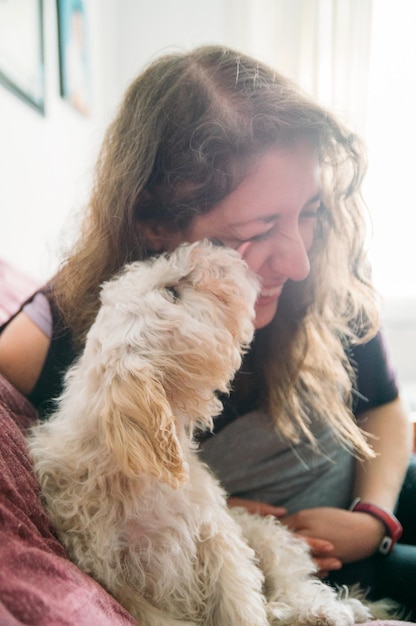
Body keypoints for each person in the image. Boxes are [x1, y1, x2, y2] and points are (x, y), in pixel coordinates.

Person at [0, 45, 415, 614]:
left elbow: (386, 404)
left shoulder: (319, 272)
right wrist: (202, 509)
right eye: (260, 226)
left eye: (309, 211)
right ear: (153, 222)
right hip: (283, 565)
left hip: (375, 498)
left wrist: (375, 520)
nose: (298, 262)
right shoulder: (67, 338)